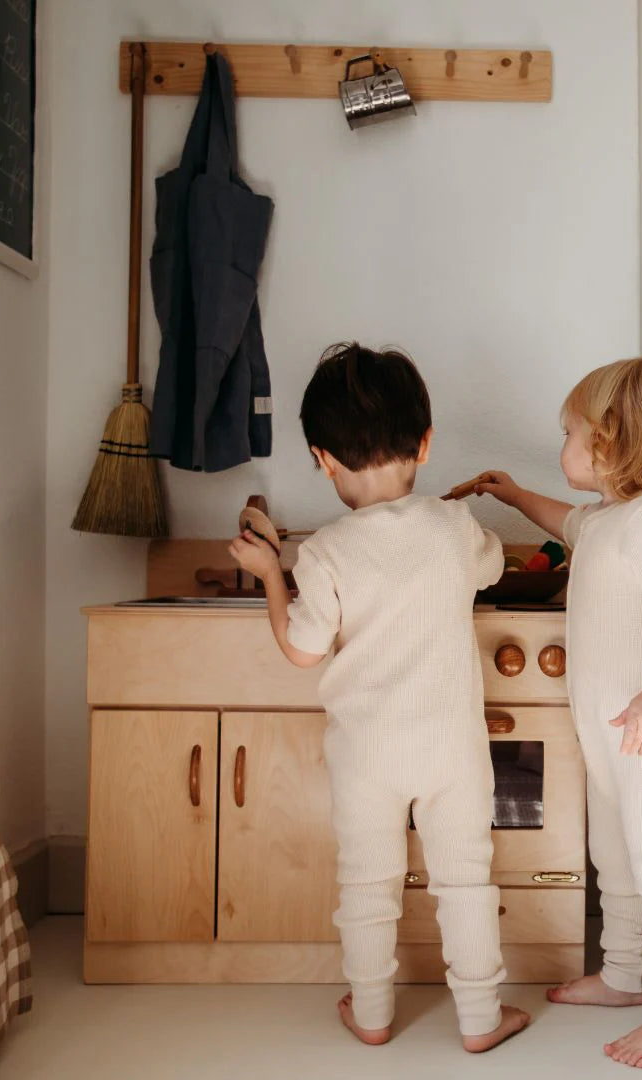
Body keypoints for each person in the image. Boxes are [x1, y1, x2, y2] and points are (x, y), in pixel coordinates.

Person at [231, 343, 530, 1052]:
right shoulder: (454, 528)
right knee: (465, 880)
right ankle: (482, 1019)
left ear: (321, 458)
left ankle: (370, 1014)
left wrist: (272, 572)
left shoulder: (325, 553)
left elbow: (303, 649)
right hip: (451, 748)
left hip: (367, 752)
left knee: (367, 884)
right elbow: (493, 565)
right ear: (425, 444)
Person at [475, 357, 642, 1068]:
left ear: (609, 442)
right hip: (615, 746)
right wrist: (519, 496)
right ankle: (623, 975)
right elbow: (567, 521)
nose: (563, 446)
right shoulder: (611, 520)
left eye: (570, 432)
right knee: (615, 863)